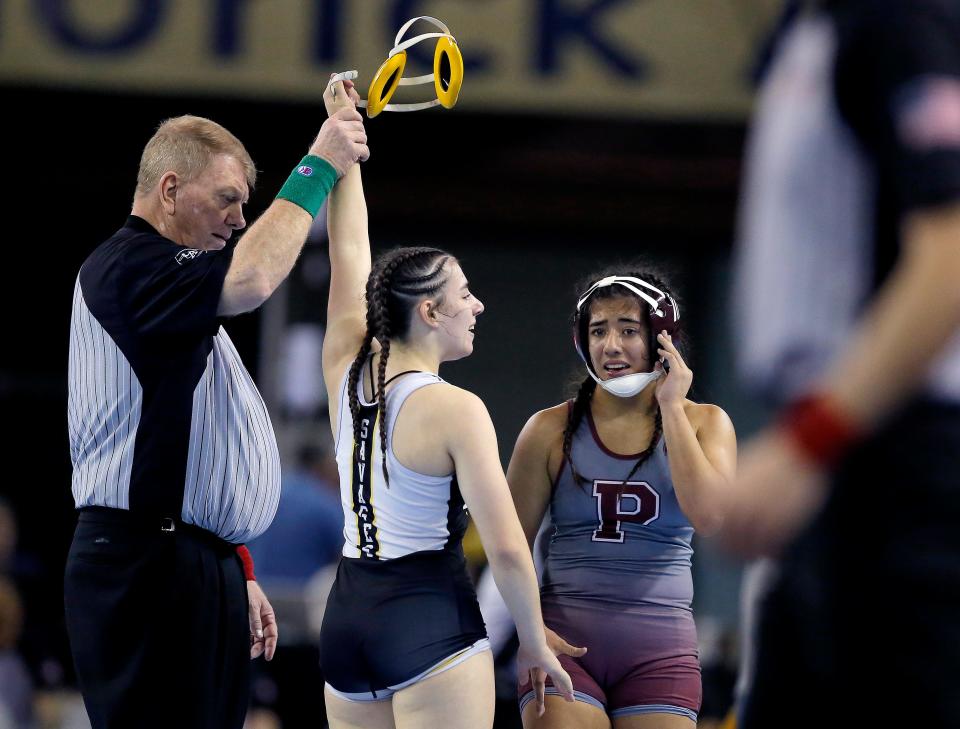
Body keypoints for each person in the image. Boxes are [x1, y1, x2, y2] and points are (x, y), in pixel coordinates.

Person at [64, 108, 369, 729]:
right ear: (170, 190)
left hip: (183, 558)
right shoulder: (132, 266)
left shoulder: (173, 300)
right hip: (144, 563)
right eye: (228, 200)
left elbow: (201, 446)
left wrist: (231, 563)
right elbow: (255, 276)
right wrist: (321, 165)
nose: (238, 219)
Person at [721, 0, 960, 725]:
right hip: (841, 467)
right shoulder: (809, 32)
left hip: (901, 465)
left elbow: (949, 254)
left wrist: (809, 442)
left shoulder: (896, 21)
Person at [316, 77, 578, 729]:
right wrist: (536, 641)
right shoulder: (457, 409)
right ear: (429, 310)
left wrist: (344, 151)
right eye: (464, 294)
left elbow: (349, 252)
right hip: (427, 617)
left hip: (346, 622)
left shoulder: (344, 363)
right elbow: (509, 548)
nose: (477, 305)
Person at [507, 267, 737, 729]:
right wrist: (530, 630)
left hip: (660, 655)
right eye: (598, 331)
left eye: (628, 330)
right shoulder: (549, 429)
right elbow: (507, 544)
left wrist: (671, 406)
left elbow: (712, 519)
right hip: (562, 645)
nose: (610, 345)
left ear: (662, 339)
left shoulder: (704, 422)